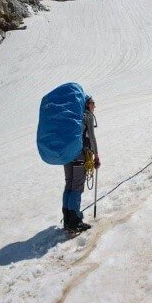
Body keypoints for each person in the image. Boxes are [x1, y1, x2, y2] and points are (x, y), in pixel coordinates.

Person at [63, 97, 99, 233]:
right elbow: (92, 137)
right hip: (80, 155)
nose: (94, 106)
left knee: (69, 184)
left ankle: (67, 218)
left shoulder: (71, 117)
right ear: (87, 105)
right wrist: (96, 156)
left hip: (67, 155)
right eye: (92, 103)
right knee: (77, 186)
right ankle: (75, 221)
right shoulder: (87, 116)